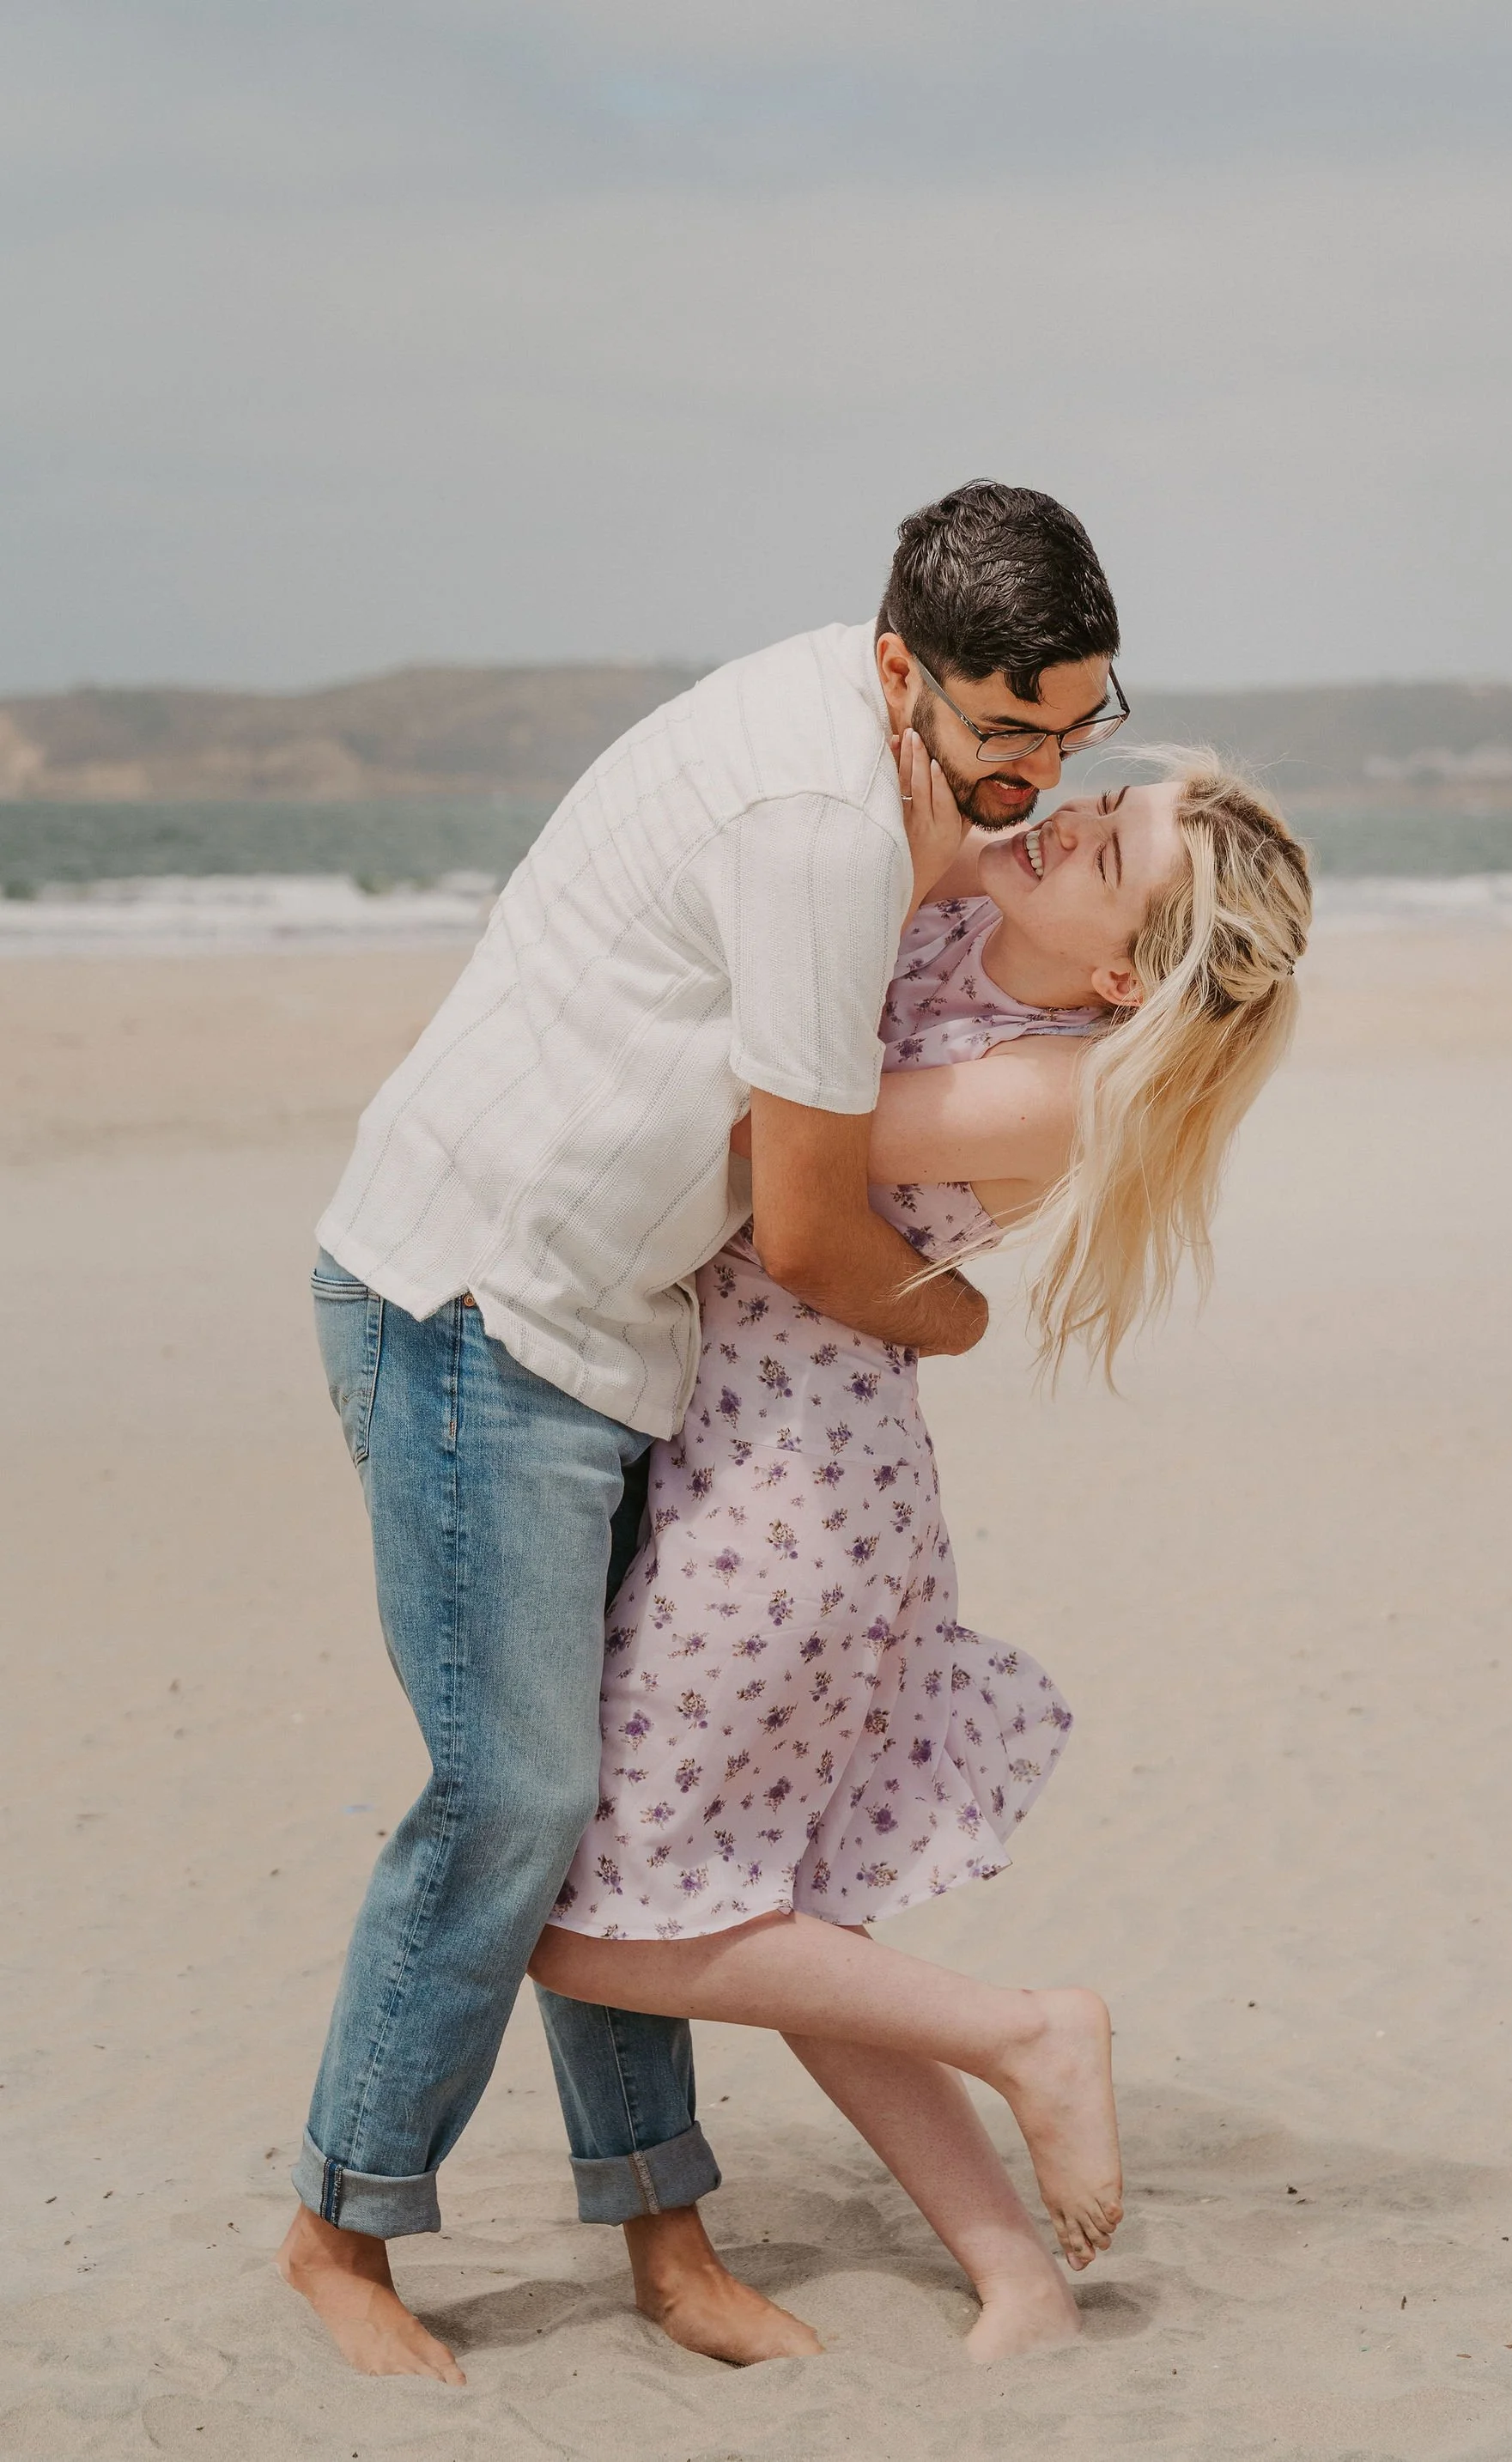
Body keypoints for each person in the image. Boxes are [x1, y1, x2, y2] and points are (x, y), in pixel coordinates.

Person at [277, 480, 1132, 2380]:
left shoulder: (895, 768)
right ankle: (342, 2231)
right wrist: (963, 1312)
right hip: (475, 1301)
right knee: (519, 1796)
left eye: (1078, 731)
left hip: (616, 1327)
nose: (1035, 771)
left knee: (638, 1805)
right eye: (1006, 731)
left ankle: (664, 2234)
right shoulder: (825, 822)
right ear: (904, 665)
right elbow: (816, 1218)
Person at [533, 745, 1314, 2358]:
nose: (1067, 819)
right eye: (1096, 796)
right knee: (805, 1918)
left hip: (788, 1498)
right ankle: (1017, 2273)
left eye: (1106, 847)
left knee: (597, 1927)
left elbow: (771, 1144)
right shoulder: (962, 931)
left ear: (1117, 973)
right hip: (766, 1461)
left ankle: (1028, 2033)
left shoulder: (1059, 1078)